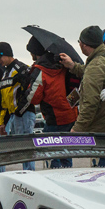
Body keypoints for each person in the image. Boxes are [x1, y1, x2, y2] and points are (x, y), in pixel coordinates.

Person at [59, 25, 105, 167]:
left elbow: (90, 103)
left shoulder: (96, 65)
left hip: (104, 128)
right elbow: (95, 73)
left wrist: (77, 129)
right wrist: (73, 66)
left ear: (83, 45)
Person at [24, 36, 79, 168]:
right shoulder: (63, 63)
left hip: (54, 117)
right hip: (71, 114)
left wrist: (27, 87)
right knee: (66, 153)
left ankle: (54, 179)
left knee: (52, 153)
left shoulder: (41, 70)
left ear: (35, 52)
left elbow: (33, 98)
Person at [0, 42, 34, 170]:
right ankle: (26, 174)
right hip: (14, 115)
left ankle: (30, 175)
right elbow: (4, 102)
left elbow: (30, 92)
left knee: (26, 146)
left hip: (25, 113)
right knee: (20, 147)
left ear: (7, 55)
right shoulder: (5, 73)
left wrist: (19, 111)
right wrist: (2, 122)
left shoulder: (21, 68)